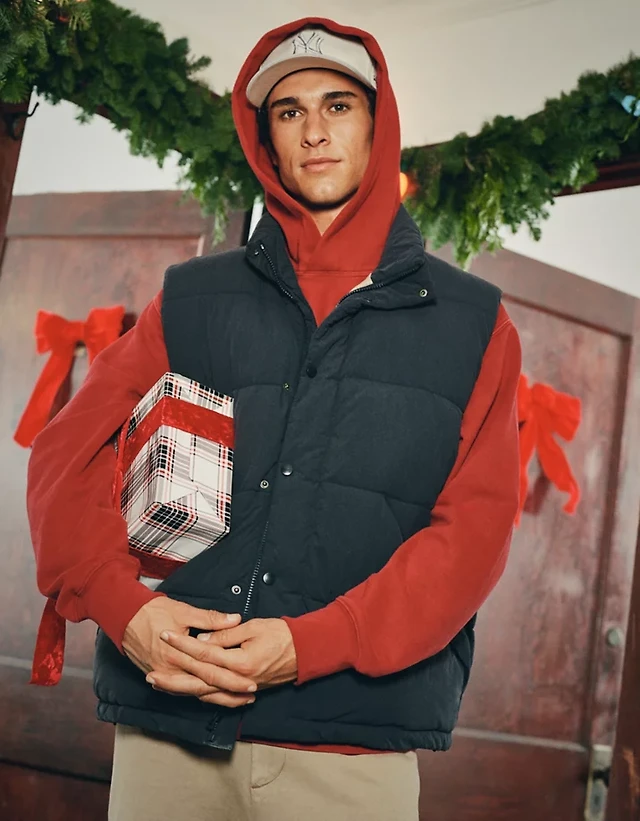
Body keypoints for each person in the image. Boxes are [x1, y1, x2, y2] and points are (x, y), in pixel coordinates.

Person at [27, 17, 521, 821]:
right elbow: (65, 457)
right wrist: (126, 608)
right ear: (267, 142)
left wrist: (310, 644)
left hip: (351, 758)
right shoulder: (192, 298)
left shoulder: (474, 324)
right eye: (289, 112)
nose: (314, 131)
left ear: (379, 124)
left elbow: (474, 536)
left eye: (338, 105)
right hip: (168, 738)